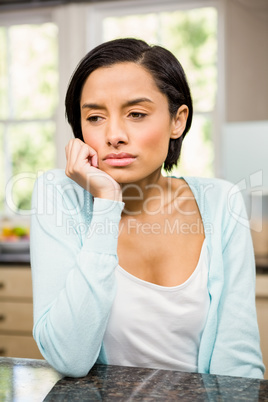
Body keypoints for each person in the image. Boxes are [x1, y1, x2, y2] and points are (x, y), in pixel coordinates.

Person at [30, 38, 265, 379]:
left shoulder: (221, 202)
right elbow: (70, 357)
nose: (114, 135)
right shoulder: (58, 195)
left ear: (177, 121)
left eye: (136, 114)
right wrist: (107, 204)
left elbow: (239, 365)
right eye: (95, 117)